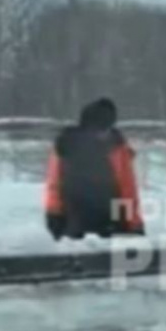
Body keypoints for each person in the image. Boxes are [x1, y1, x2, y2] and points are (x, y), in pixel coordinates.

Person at [44, 97, 145, 240]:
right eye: (102, 127)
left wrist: (131, 223)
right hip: (76, 221)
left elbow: (126, 189)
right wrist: (54, 213)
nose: (103, 133)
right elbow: (54, 183)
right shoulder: (66, 144)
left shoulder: (115, 147)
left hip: (104, 221)